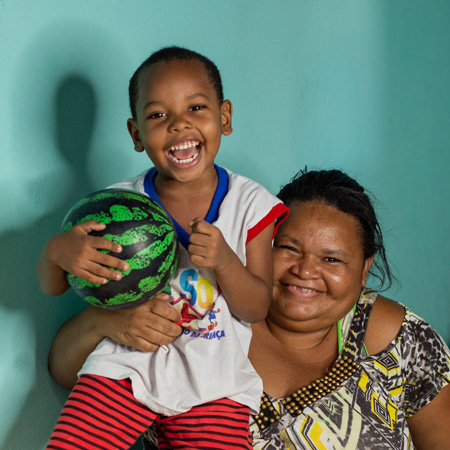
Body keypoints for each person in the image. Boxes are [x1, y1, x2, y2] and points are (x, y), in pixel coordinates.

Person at [48, 168, 450, 449]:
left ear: (364, 271)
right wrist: (107, 318)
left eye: (332, 260)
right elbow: (66, 371)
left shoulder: (397, 338)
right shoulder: (204, 314)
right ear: (258, 244)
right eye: (289, 249)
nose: (305, 271)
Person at [38, 46, 288, 450]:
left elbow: (257, 307)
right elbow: (55, 286)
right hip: (122, 368)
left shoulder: (250, 203)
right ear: (136, 134)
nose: (178, 125)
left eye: (196, 108)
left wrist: (225, 260)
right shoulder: (115, 207)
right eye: (157, 115)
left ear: (224, 117)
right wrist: (56, 253)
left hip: (214, 382)